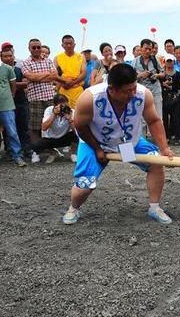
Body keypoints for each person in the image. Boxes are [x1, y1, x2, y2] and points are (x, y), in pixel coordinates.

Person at [62, 63, 174, 225]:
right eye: (127, 91)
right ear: (112, 89)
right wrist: (98, 149)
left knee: (155, 162)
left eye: (134, 87)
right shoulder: (90, 98)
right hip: (95, 143)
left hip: (126, 145)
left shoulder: (143, 95)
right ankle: (74, 208)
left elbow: (154, 120)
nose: (133, 93)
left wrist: (164, 148)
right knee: (85, 185)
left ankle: (154, 207)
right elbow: (80, 126)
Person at [21, 38, 59, 162]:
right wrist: (45, 75)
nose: (36, 49)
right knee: (35, 127)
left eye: (38, 47)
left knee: (51, 125)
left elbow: (54, 76)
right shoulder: (26, 62)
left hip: (49, 97)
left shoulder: (48, 60)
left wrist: (36, 78)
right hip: (35, 98)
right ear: (29, 48)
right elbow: (29, 76)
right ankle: (36, 152)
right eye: (34, 47)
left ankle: (52, 151)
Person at [31, 93, 78, 163]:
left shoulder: (71, 111)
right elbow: (44, 128)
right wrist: (54, 114)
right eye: (61, 106)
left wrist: (70, 119)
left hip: (64, 137)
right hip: (50, 139)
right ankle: (53, 152)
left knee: (77, 136)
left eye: (65, 105)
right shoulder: (49, 110)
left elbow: (77, 132)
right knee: (35, 145)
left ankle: (73, 153)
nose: (63, 108)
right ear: (55, 106)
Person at [1, 49, 30, 154]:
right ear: (1, 58)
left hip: (21, 101)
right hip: (5, 103)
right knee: (8, 127)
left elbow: (26, 83)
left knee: (23, 126)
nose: (8, 58)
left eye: (10, 56)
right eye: (5, 56)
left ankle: (26, 148)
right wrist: (17, 84)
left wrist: (11, 84)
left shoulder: (19, 70)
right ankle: (10, 150)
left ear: (13, 57)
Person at [131, 39, 164, 120]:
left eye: (150, 49)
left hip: (155, 92)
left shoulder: (155, 60)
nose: (148, 51)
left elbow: (163, 74)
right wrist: (140, 75)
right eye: (146, 48)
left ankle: (157, 133)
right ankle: (143, 133)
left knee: (158, 117)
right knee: (141, 119)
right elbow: (130, 77)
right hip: (141, 92)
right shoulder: (135, 61)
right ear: (141, 48)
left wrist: (157, 75)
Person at [54, 35, 86, 109]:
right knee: (63, 113)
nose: (69, 46)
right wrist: (63, 82)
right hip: (64, 90)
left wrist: (73, 83)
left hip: (77, 89)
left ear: (74, 44)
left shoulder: (81, 57)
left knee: (78, 112)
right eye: (66, 44)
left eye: (71, 43)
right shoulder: (57, 58)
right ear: (62, 45)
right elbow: (54, 74)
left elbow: (84, 73)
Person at [160, 54, 180, 143]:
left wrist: (170, 87)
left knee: (176, 117)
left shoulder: (177, 74)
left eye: (171, 61)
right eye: (167, 61)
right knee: (164, 118)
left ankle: (177, 136)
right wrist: (163, 85)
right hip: (163, 98)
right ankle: (166, 136)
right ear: (164, 62)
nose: (169, 63)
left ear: (174, 62)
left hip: (175, 98)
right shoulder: (161, 74)